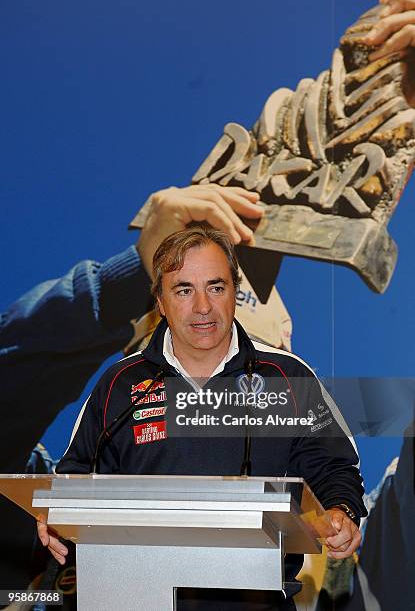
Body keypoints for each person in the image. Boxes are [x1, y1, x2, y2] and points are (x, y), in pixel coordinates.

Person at [38, 225, 366, 610]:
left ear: (233, 291)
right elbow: (77, 477)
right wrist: (57, 513)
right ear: (160, 301)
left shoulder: (286, 377)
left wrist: (341, 512)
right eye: (183, 290)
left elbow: (333, 467)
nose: (203, 307)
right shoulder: (120, 384)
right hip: (134, 599)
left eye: (215, 286)